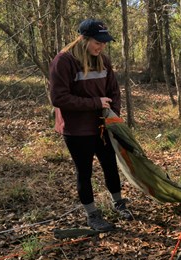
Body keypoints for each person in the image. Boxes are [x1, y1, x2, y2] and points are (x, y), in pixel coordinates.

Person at [49, 19, 133, 231]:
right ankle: (92, 214)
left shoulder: (103, 60)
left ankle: (118, 202)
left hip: (103, 126)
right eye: (98, 42)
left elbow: (113, 91)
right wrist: (95, 103)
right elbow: (59, 98)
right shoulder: (63, 61)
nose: (102, 46)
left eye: (104, 42)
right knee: (84, 172)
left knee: (110, 166)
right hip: (76, 130)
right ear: (84, 39)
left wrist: (114, 116)